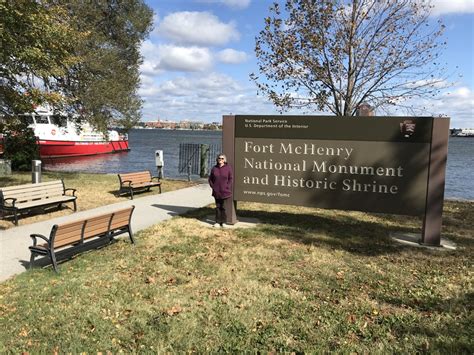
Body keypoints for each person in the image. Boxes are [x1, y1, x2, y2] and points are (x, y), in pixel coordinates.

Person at [208, 153, 233, 227]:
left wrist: (227, 186)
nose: (221, 160)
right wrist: (213, 186)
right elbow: (210, 179)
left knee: (223, 207)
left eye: (222, 158)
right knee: (218, 207)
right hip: (216, 191)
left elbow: (231, 178)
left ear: (224, 160)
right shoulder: (214, 168)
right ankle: (217, 222)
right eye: (219, 158)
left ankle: (224, 222)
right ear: (217, 159)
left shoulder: (228, 168)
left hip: (225, 191)